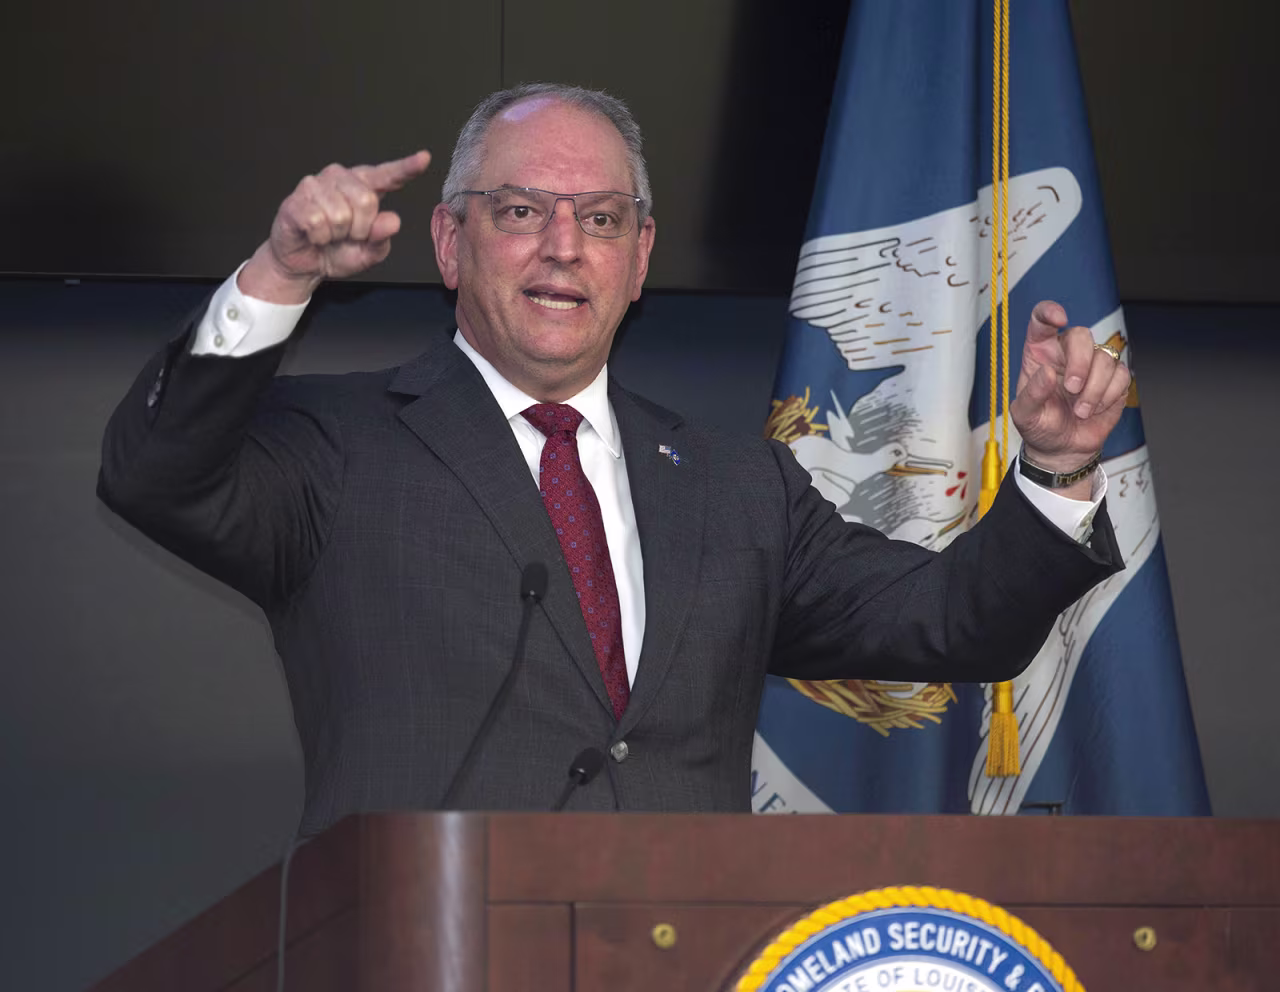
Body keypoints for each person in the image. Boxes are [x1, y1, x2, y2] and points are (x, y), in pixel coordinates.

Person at [99, 84, 1128, 836]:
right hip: (430, 944)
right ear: (450, 243)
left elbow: (953, 619)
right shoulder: (337, 446)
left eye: (600, 219)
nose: (563, 245)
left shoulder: (739, 487)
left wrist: (1053, 465)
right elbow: (157, 474)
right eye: (520, 211)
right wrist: (280, 272)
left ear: (638, 261)